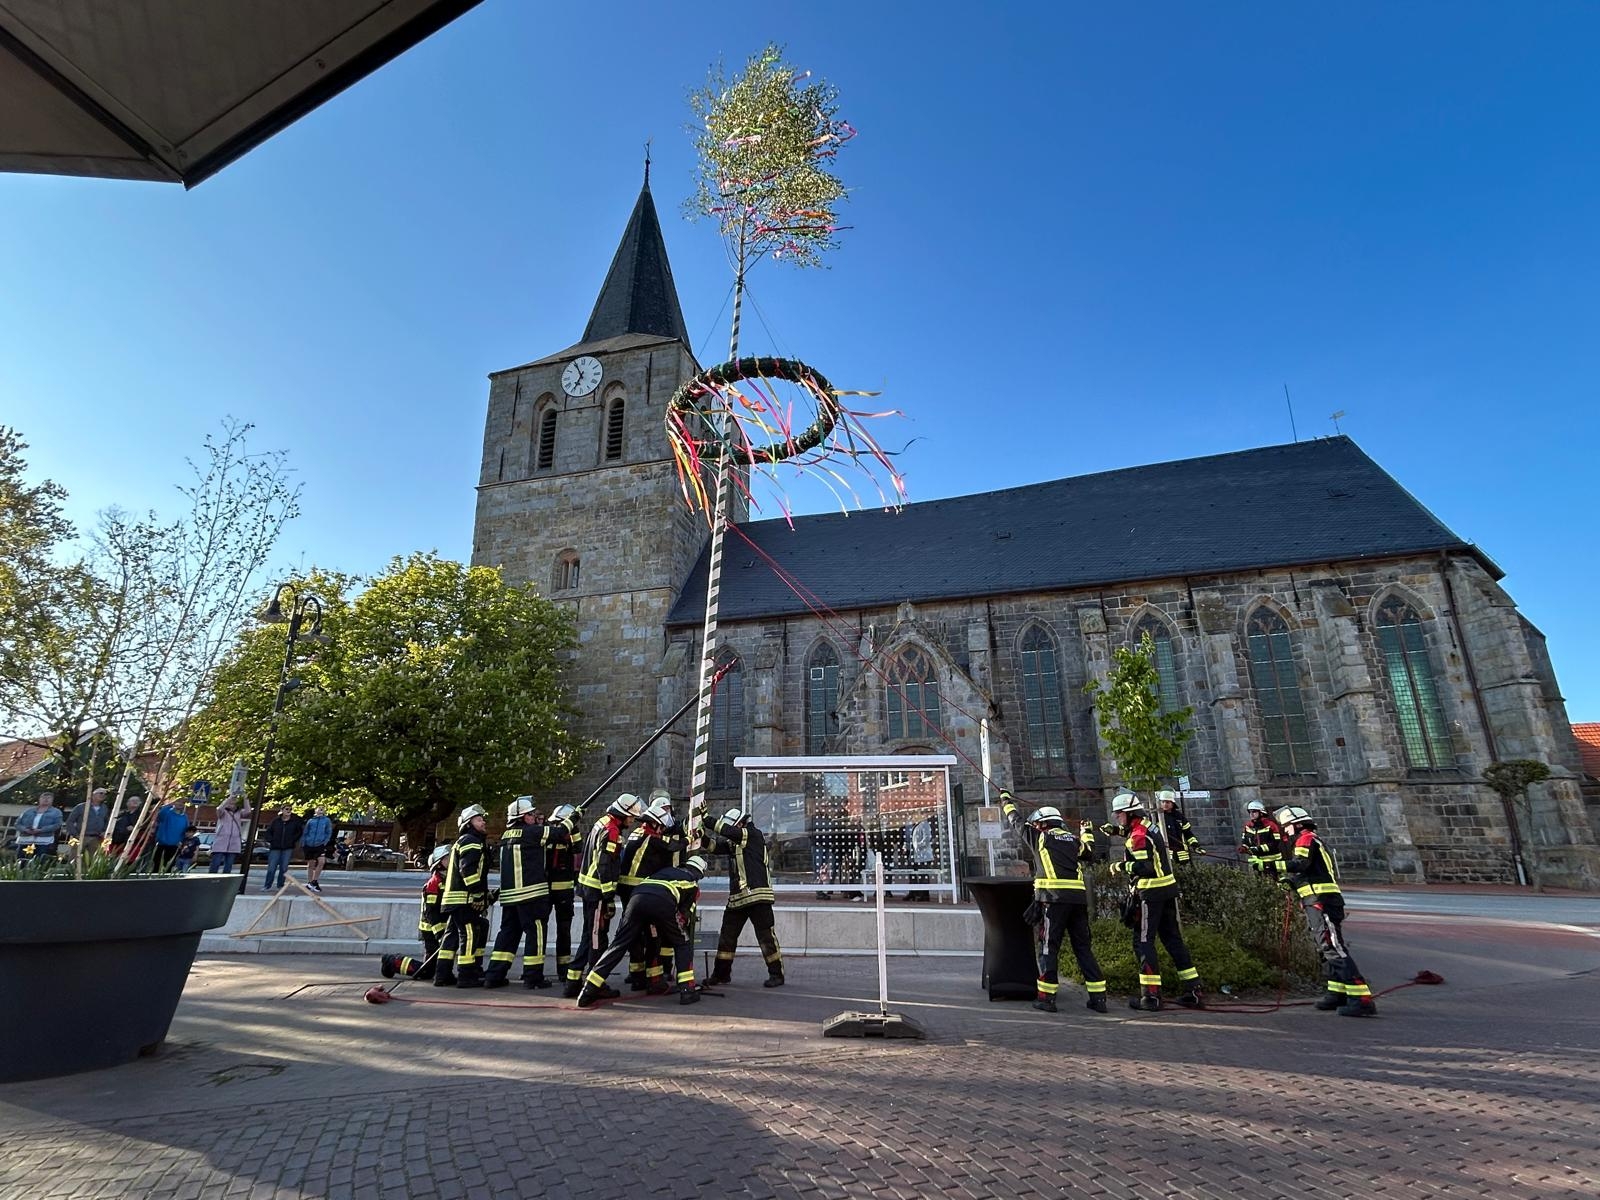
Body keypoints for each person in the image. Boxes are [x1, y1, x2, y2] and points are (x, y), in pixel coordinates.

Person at [1000, 792, 1108, 1013]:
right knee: (1083, 948)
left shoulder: (1041, 837)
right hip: (1078, 901)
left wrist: (1006, 801)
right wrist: (1086, 831)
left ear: (1042, 824)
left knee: (1049, 947)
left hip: (1053, 901)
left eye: (1037, 824)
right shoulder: (1074, 840)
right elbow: (1089, 853)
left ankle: (1047, 998)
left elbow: (1016, 822)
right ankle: (1099, 999)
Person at [1276, 805, 1376, 1017]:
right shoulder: (1311, 840)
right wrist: (1292, 882)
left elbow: (1300, 864)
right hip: (1317, 901)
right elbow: (1310, 872)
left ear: (1298, 824)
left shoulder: (1305, 839)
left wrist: (1275, 866)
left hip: (1322, 901)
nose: (1285, 832)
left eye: (1286, 827)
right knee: (1325, 947)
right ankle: (1337, 992)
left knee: (1333, 946)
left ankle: (1361, 998)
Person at [1111, 792, 1203, 1012]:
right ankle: (1193, 990)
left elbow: (1145, 868)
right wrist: (1115, 832)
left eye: (1119, 814)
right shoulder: (1148, 826)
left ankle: (1151, 996)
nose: (1116, 817)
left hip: (1150, 894)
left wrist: (1119, 867)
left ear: (1129, 813)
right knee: (1173, 940)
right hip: (1167, 891)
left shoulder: (1138, 835)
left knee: (1143, 942)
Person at [577, 855, 708, 1008]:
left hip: (636, 899)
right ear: (699, 874)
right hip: (662, 902)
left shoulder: (666, 871)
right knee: (682, 943)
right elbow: (684, 916)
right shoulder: (692, 883)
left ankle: (588, 990)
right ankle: (687, 990)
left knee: (619, 944)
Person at [486, 796, 570, 990]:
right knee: (536, 935)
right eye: (531, 814)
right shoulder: (531, 833)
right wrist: (574, 816)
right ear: (524, 817)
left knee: (508, 934)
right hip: (532, 896)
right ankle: (533, 978)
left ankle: (494, 974)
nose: (534, 816)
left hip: (510, 897)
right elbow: (560, 833)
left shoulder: (506, 835)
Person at [564, 794, 641, 998]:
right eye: (631, 817)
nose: (632, 821)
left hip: (589, 889)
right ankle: (595, 984)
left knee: (589, 937)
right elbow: (604, 864)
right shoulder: (611, 831)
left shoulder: (602, 822)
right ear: (623, 814)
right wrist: (608, 897)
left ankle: (573, 981)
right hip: (597, 892)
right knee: (598, 940)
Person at [705, 808, 784, 988]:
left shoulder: (752, 834)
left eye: (733, 827)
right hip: (738, 898)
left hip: (757, 896)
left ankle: (777, 974)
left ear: (740, 824)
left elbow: (727, 831)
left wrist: (706, 819)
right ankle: (721, 974)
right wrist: (699, 834)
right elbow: (714, 847)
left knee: (766, 937)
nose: (731, 831)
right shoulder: (734, 843)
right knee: (727, 937)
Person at [617, 795, 679, 992]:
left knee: (632, 933)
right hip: (641, 891)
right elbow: (673, 846)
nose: (662, 830)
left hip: (627, 891)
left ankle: (637, 975)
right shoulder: (652, 839)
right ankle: (654, 979)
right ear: (654, 823)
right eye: (661, 826)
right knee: (652, 933)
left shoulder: (637, 833)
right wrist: (690, 837)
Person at [436, 804, 492, 988]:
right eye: (478, 819)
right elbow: (468, 870)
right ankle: (466, 976)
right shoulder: (471, 841)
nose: (483, 822)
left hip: (454, 899)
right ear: (468, 824)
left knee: (451, 936)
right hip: (463, 900)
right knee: (468, 935)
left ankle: (442, 975)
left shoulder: (463, 841)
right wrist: (477, 895)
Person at [382, 845, 451, 981]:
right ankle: (392, 961)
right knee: (427, 971)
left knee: (439, 962)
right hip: (431, 930)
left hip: (441, 928)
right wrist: (439, 933)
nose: (452, 860)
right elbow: (431, 912)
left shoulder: (448, 881)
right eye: (448, 858)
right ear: (439, 863)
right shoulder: (433, 884)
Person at [546, 804, 580, 989]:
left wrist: (574, 828)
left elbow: (578, 848)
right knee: (543, 931)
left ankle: (563, 967)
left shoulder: (571, 835)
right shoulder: (549, 834)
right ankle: (539, 969)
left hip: (563, 890)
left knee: (564, 931)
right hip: (550, 889)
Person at [1238, 799, 1286, 879]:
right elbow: (1246, 841)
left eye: (1254, 812)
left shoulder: (1271, 826)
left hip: (1272, 861)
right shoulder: (1248, 826)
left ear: (1261, 813)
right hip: (1257, 862)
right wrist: (1244, 847)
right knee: (1260, 886)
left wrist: (1257, 849)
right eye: (1250, 812)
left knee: (1276, 883)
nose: (1251, 814)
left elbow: (1275, 844)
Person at [1155, 790, 1204, 866]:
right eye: (1163, 802)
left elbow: (1188, 834)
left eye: (1167, 802)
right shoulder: (1156, 817)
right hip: (1165, 855)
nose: (1165, 804)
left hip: (1181, 855)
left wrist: (1196, 847)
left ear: (1172, 803)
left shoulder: (1179, 817)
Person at [260, 806, 302, 891]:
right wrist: (272, 840)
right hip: (275, 847)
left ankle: (280, 885)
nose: (288, 811)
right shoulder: (275, 821)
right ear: (282, 810)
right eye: (286, 809)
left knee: (284, 868)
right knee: (272, 867)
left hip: (287, 848)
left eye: (290, 809)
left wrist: (292, 840)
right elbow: (268, 832)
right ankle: (267, 885)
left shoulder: (294, 822)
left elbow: (299, 832)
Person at [64, 788, 111, 862]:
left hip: (96, 838)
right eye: (101, 793)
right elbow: (70, 821)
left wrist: (104, 831)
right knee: (74, 858)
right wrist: (75, 834)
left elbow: (106, 821)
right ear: (93, 794)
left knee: (92, 860)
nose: (103, 795)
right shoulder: (81, 807)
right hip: (80, 836)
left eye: (105, 794)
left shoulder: (104, 808)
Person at [15, 792, 63, 861]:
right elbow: (17, 824)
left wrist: (41, 830)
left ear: (52, 800)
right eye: (43, 797)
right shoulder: (28, 811)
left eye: (48, 798)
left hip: (43, 841)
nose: (46, 799)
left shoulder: (56, 812)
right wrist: (25, 829)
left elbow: (57, 825)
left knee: (39, 860)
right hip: (25, 840)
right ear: (39, 799)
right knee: (21, 860)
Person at [209, 796, 252, 873]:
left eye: (234, 800)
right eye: (231, 801)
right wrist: (228, 799)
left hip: (233, 842)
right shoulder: (223, 812)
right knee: (216, 863)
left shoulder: (239, 812)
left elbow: (248, 811)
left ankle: (225, 881)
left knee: (228, 865)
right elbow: (219, 809)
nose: (232, 802)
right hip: (221, 841)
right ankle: (210, 879)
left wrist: (246, 799)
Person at [300, 805, 333, 893]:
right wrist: (304, 842)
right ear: (315, 811)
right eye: (319, 808)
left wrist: (325, 842)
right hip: (309, 844)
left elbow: (328, 832)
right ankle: (310, 882)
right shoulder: (311, 821)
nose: (321, 809)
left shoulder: (326, 820)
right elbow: (306, 832)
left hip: (320, 844)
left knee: (321, 862)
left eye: (322, 808)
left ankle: (315, 880)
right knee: (311, 864)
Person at [108, 796, 149, 865]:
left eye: (137, 800)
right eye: (132, 800)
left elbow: (146, 825)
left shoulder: (143, 814)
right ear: (127, 803)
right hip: (116, 841)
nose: (135, 802)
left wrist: (135, 828)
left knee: (130, 863)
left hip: (133, 843)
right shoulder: (120, 814)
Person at [152, 796, 189, 872]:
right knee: (157, 867)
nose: (181, 804)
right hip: (162, 845)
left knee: (168, 868)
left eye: (183, 802)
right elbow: (160, 811)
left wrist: (182, 843)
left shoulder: (185, 817)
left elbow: (185, 832)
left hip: (175, 847)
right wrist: (172, 802)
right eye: (179, 801)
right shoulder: (167, 813)